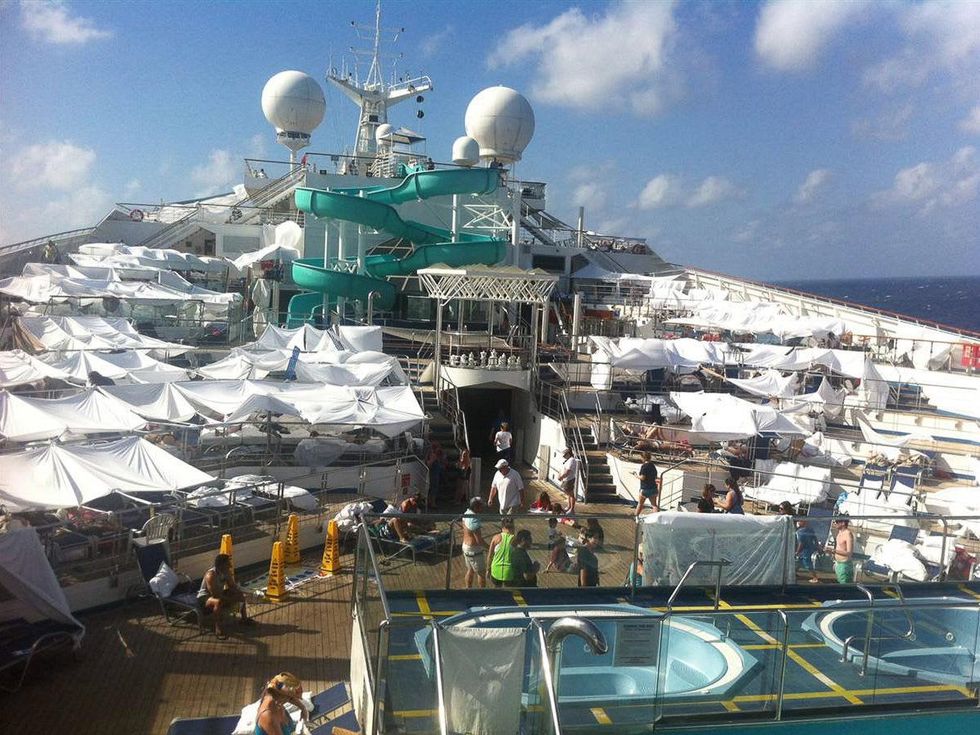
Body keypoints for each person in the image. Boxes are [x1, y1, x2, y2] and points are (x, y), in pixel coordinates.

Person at [197, 553, 253, 640]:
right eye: (228, 563)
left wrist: (239, 594)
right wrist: (230, 599)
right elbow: (215, 594)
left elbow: (232, 586)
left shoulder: (226, 572)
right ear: (221, 565)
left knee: (239, 595)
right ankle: (218, 629)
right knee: (218, 602)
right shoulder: (211, 575)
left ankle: (244, 619)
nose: (230, 565)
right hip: (205, 598)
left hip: (219, 593)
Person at [461, 497, 487, 588]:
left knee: (470, 570)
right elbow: (479, 540)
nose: (483, 508)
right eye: (481, 506)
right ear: (476, 507)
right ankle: (482, 593)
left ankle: (468, 589)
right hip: (474, 549)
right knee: (481, 573)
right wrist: (489, 548)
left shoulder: (466, 513)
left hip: (465, 546)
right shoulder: (474, 519)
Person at [488, 518, 517, 587]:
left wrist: (488, 569)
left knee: (497, 592)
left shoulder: (496, 538)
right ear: (513, 527)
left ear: (502, 527)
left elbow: (490, 556)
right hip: (509, 572)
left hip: (495, 570)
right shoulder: (515, 539)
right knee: (510, 593)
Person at [828, 517, 854, 583]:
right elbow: (839, 547)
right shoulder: (839, 532)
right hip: (838, 563)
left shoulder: (848, 534)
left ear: (842, 523)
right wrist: (832, 552)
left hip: (845, 565)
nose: (835, 523)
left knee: (845, 587)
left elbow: (849, 553)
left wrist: (833, 551)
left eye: (837, 522)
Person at [635, 452, 660, 517]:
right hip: (653, 488)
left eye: (641, 457)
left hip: (645, 488)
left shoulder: (644, 466)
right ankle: (657, 519)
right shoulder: (653, 465)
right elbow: (655, 476)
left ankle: (636, 517)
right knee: (654, 505)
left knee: (640, 504)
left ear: (644, 458)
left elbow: (643, 478)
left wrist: (636, 475)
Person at [558, 448, 579, 515]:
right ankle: (569, 506)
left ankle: (572, 509)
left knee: (571, 494)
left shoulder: (571, 460)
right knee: (568, 493)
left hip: (569, 479)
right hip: (566, 479)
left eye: (565, 455)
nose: (563, 456)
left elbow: (568, 471)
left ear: (568, 454)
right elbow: (563, 469)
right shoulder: (567, 460)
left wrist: (561, 477)